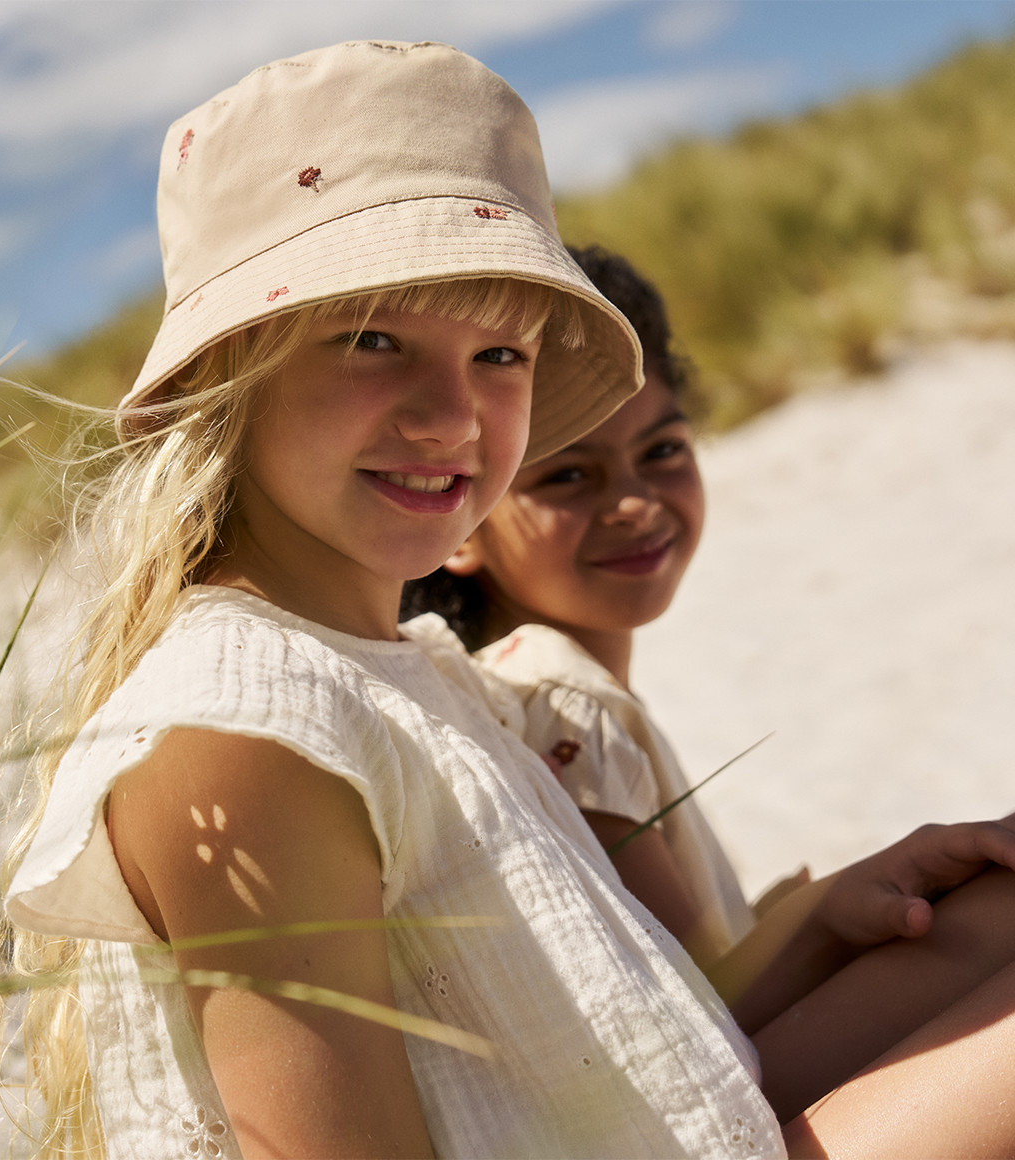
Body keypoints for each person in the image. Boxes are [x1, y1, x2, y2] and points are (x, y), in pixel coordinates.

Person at [0, 39, 1015, 1160]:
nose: (450, 417)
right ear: (220, 374)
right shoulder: (244, 727)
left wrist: (819, 927)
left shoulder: (408, 671)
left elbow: (636, 1066)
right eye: (371, 338)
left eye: (498, 352)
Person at [402, 244, 1015, 1136]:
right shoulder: (552, 695)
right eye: (569, 475)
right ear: (461, 521)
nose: (636, 502)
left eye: (662, 450)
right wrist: (824, 916)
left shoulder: (548, 689)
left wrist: (830, 904)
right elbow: (695, 1028)